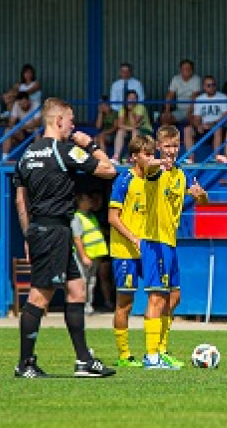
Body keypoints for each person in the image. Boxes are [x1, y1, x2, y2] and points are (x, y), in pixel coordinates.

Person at [12, 97, 117, 378]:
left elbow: (20, 200)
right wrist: (90, 144)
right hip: (55, 230)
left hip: (42, 229)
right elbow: (109, 170)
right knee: (40, 295)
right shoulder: (64, 150)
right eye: (70, 121)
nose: (72, 126)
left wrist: (28, 234)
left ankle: (84, 361)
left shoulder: (26, 154)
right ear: (58, 121)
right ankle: (25, 364)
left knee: (77, 290)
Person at [141, 125, 209, 369]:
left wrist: (200, 195)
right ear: (159, 147)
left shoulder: (180, 174)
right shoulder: (155, 171)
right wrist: (158, 163)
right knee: (157, 297)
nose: (171, 150)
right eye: (167, 146)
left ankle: (161, 350)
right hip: (154, 240)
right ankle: (150, 357)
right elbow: (147, 166)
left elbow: (202, 199)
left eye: (175, 145)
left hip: (170, 242)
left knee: (175, 297)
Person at [108, 134, 155, 368]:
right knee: (125, 303)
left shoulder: (153, 180)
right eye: (146, 154)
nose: (150, 158)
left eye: (152, 154)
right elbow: (112, 217)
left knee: (165, 295)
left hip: (148, 249)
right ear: (135, 157)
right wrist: (134, 238)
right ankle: (124, 355)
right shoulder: (124, 180)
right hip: (124, 251)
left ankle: (155, 351)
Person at [72, 191, 108, 315]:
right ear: (80, 203)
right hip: (85, 256)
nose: (90, 202)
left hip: (95, 255)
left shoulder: (90, 216)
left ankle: (88, 306)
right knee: (83, 281)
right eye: (87, 200)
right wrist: (83, 256)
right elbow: (77, 238)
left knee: (91, 282)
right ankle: (81, 307)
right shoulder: (77, 217)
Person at [183, 77, 227, 162]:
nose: (211, 87)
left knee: (217, 129)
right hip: (204, 128)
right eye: (208, 85)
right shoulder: (199, 99)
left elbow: (225, 116)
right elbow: (196, 118)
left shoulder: (223, 97)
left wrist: (212, 124)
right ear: (204, 87)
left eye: (213, 85)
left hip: (218, 127)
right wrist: (198, 125)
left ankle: (216, 157)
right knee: (187, 130)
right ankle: (191, 158)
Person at [112, 90, 153, 163]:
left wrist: (130, 111)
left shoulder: (140, 107)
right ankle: (116, 157)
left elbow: (134, 123)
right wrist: (131, 128)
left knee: (134, 131)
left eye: (134, 98)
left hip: (145, 130)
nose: (132, 100)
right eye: (130, 98)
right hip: (130, 130)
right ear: (126, 99)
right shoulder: (122, 108)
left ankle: (133, 156)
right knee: (120, 131)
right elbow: (119, 125)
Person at [163, 58, 202, 127]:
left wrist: (190, 112)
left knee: (193, 121)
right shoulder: (175, 79)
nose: (187, 70)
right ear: (180, 70)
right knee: (164, 118)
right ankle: (168, 137)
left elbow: (195, 96)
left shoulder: (196, 79)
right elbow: (170, 95)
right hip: (180, 110)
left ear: (192, 70)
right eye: (184, 68)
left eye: (189, 68)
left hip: (193, 110)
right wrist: (167, 111)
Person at [2, 91, 41, 159]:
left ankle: (37, 158)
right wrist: (15, 127)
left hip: (34, 132)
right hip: (22, 132)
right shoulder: (16, 104)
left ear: (29, 101)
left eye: (25, 103)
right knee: (8, 130)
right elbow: (11, 122)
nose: (23, 105)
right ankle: (4, 158)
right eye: (21, 104)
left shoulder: (36, 104)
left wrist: (22, 127)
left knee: (37, 130)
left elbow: (37, 123)